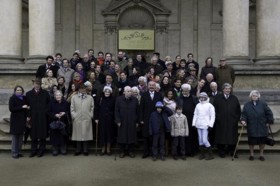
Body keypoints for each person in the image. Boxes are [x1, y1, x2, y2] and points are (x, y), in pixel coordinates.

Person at [240, 90, 274, 161]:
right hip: (252, 126)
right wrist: (243, 120)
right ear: (250, 96)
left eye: (256, 96)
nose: (254, 97)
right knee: (251, 141)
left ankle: (261, 154)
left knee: (262, 141)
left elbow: (269, 113)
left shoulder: (263, 104)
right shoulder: (247, 105)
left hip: (262, 126)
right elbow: (244, 114)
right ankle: (251, 154)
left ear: (258, 97)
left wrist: (269, 121)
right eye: (253, 96)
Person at [213, 83, 241, 158]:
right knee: (221, 136)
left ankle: (232, 151)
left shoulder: (234, 98)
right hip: (221, 121)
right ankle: (221, 151)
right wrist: (217, 118)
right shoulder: (218, 98)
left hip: (232, 122)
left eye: (229, 89)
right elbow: (214, 110)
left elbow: (238, 110)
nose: (228, 90)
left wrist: (236, 118)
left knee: (232, 137)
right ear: (223, 90)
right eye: (226, 89)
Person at [26, 79, 50, 157]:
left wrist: (45, 112)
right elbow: (27, 106)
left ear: (40, 85)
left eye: (39, 84)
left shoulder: (45, 93)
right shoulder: (28, 94)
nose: (37, 85)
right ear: (33, 84)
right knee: (33, 134)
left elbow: (48, 104)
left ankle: (41, 150)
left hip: (42, 116)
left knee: (42, 134)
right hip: (33, 116)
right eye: (35, 84)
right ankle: (33, 150)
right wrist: (28, 115)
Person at [140, 81, 163, 158]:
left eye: (153, 85)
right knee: (146, 136)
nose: (151, 86)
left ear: (155, 86)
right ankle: (145, 152)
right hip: (146, 118)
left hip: (156, 119)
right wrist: (141, 119)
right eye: (150, 85)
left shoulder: (159, 95)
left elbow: (161, 108)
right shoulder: (144, 95)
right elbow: (141, 108)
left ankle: (154, 152)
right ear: (147, 86)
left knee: (155, 136)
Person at [115, 86, 139, 158]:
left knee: (131, 136)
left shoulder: (135, 100)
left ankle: (130, 151)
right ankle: (122, 151)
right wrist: (118, 120)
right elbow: (116, 111)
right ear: (124, 92)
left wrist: (137, 121)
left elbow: (138, 111)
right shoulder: (119, 99)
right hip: (122, 121)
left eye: (130, 91)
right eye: (128, 91)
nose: (129, 93)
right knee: (122, 136)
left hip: (132, 120)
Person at [71, 84, 94, 156]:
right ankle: (78, 150)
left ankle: (85, 150)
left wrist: (90, 115)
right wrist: (74, 115)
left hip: (86, 118)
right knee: (78, 135)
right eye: (81, 88)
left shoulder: (90, 98)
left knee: (85, 134)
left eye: (84, 88)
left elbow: (92, 107)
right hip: (77, 118)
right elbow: (72, 108)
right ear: (78, 89)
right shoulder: (74, 97)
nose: (83, 90)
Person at [176, 83, 198, 156]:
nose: (185, 92)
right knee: (182, 137)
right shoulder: (179, 98)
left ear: (189, 90)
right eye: (184, 91)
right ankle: (182, 152)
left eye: (186, 91)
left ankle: (191, 152)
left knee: (191, 136)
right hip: (182, 120)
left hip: (191, 120)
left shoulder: (194, 98)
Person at [192, 92, 215, 160]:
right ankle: (202, 154)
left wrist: (211, 125)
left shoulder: (210, 105)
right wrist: (193, 124)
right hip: (199, 124)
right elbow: (195, 115)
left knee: (205, 140)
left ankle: (211, 155)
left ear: (206, 97)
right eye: (200, 97)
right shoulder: (198, 105)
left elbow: (213, 116)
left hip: (206, 125)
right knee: (200, 140)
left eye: (203, 97)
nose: (202, 98)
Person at [9, 85, 29, 159]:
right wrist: (21, 107)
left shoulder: (24, 98)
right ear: (15, 91)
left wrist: (27, 111)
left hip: (22, 120)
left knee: (21, 137)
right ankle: (14, 152)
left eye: (20, 90)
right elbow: (11, 109)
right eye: (18, 90)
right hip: (15, 120)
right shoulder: (12, 98)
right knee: (15, 137)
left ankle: (19, 152)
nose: (19, 91)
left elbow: (26, 107)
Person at [95, 86, 115, 156]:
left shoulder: (113, 99)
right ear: (103, 92)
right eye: (106, 91)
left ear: (110, 92)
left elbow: (115, 109)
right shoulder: (100, 99)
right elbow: (96, 109)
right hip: (102, 119)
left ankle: (108, 148)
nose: (107, 92)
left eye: (108, 91)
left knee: (109, 134)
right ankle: (103, 148)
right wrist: (96, 118)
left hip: (110, 119)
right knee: (102, 133)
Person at [48, 90, 70, 156]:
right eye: (57, 95)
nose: (58, 96)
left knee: (63, 135)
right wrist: (55, 115)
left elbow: (68, 111)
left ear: (62, 96)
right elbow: (48, 112)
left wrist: (64, 113)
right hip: (54, 122)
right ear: (54, 96)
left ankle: (63, 148)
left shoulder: (65, 103)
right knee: (55, 135)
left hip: (63, 122)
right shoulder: (51, 103)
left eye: (59, 95)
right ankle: (55, 149)